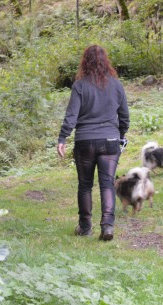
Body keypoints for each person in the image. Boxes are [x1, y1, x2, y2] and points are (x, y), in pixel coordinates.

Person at [57, 45, 130, 241]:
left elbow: (71, 115)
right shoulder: (116, 85)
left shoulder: (80, 85)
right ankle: (107, 227)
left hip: (85, 141)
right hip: (110, 140)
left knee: (85, 185)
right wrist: (121, 134)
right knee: (107, 184)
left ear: (85, 62)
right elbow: (124, 116)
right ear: (106, 61)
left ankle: (85, 227)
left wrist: (62, 138)